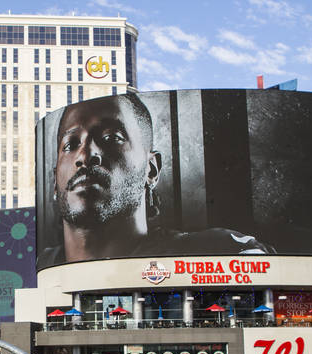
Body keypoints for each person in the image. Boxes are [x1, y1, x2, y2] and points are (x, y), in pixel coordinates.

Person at [37, 93, 273, 267]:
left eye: (111, 138)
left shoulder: (219, 250)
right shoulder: (38, 266)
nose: (86, 155)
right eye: (70, 144)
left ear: (151, 168)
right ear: (54, 180)